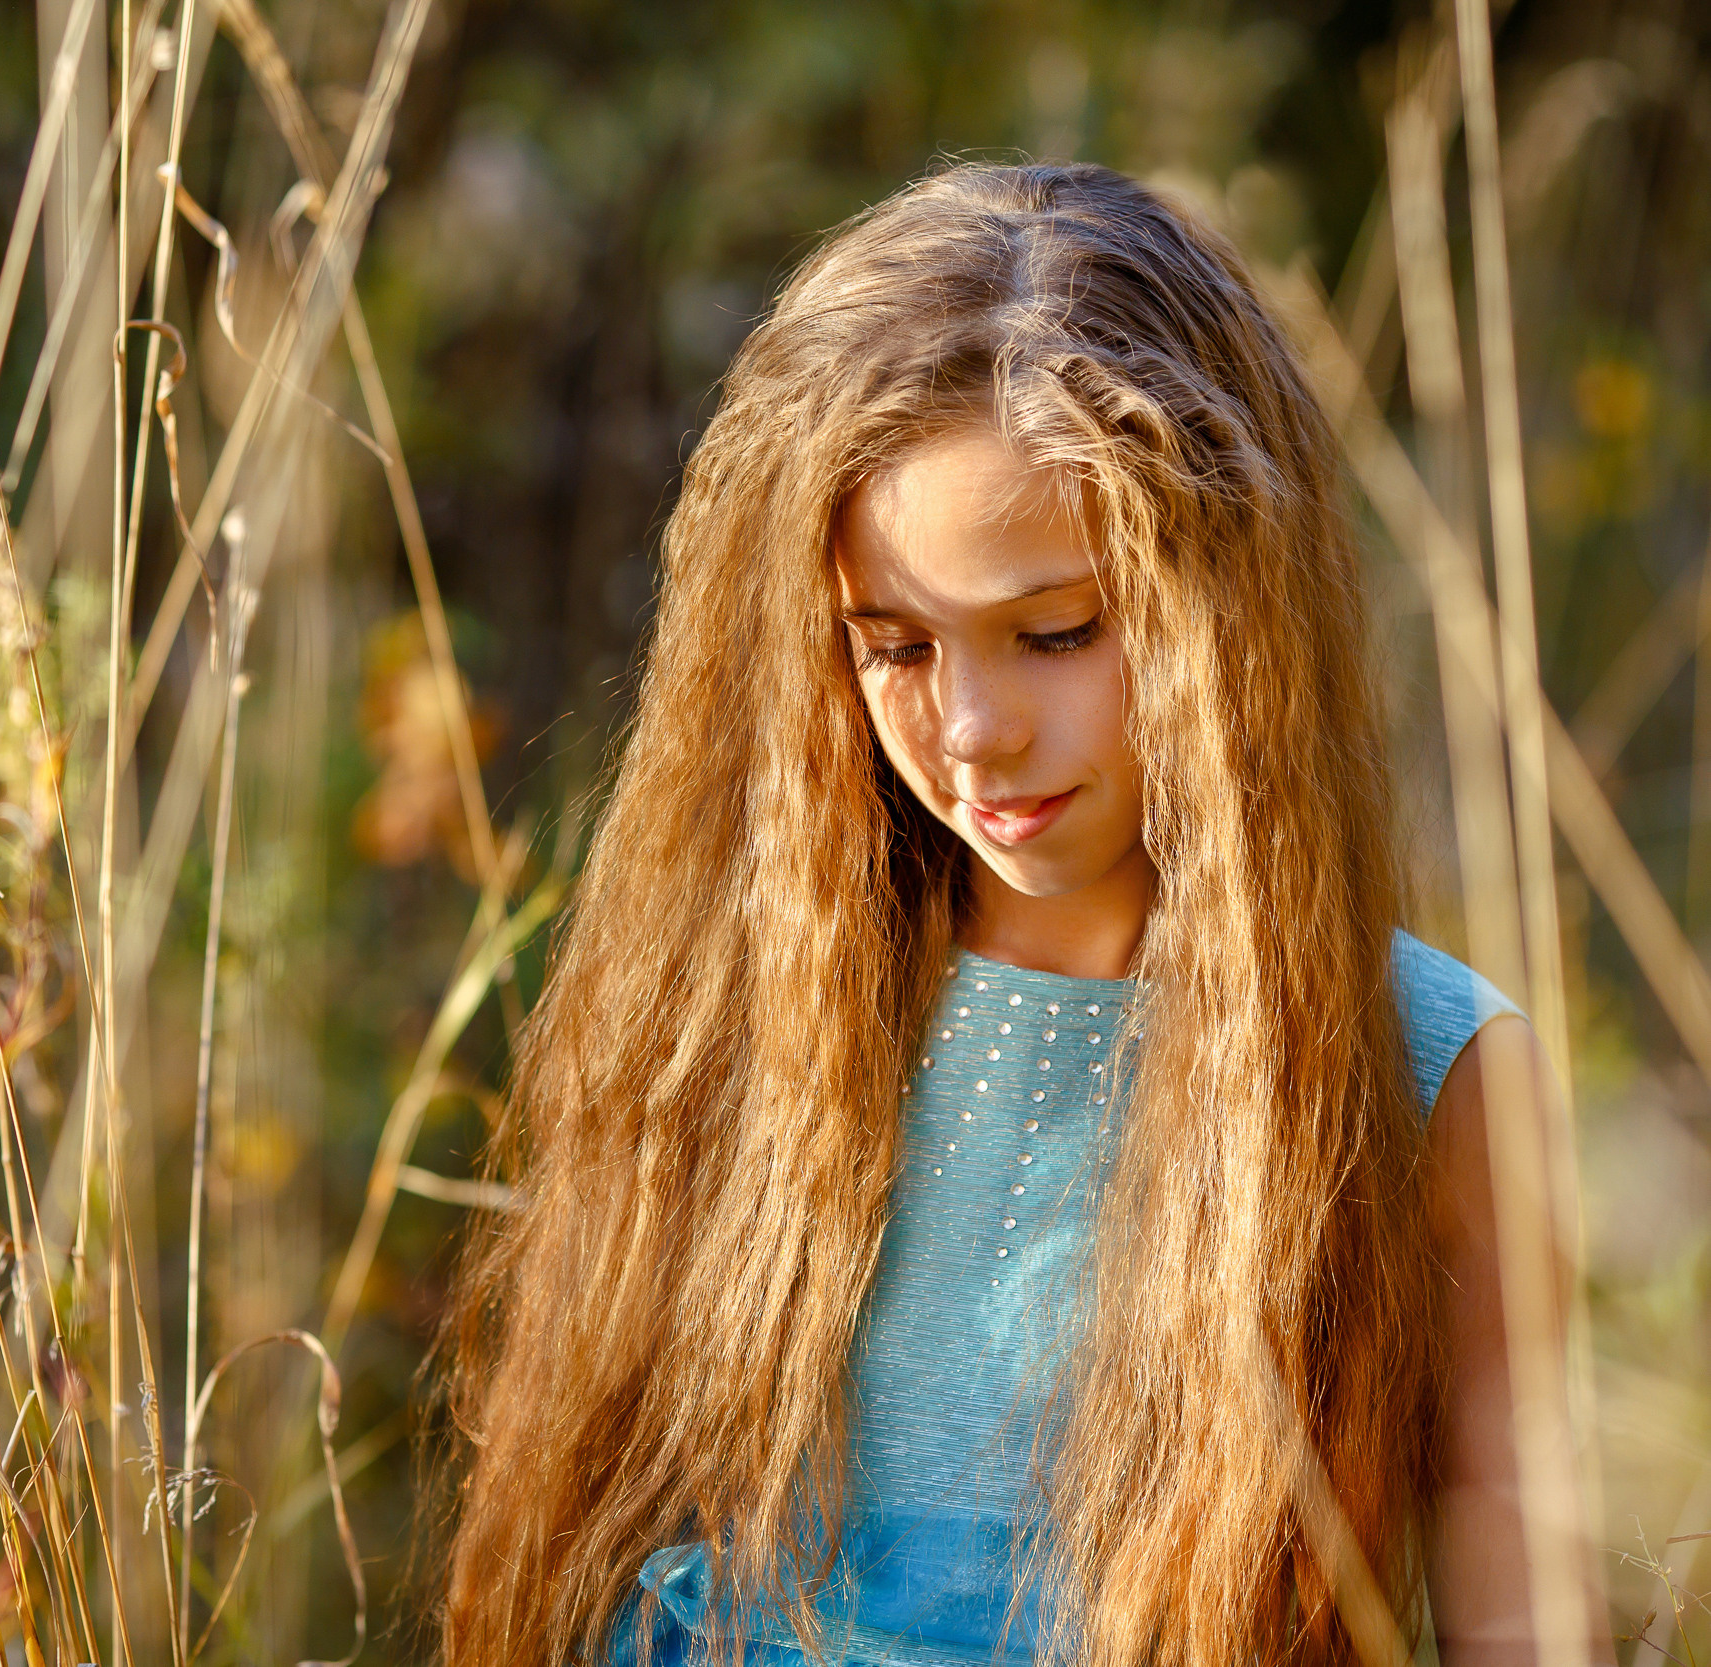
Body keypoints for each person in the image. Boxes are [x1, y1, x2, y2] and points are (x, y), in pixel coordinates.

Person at [432, 163, 1591, 1667]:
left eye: (1055, 633)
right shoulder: (738, 1000)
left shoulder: (1429, 1063)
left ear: (1231, 605)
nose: (973, 731)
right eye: (893, 646)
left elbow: (1517, 1580)